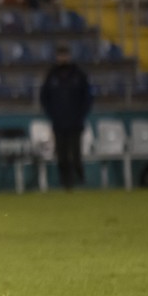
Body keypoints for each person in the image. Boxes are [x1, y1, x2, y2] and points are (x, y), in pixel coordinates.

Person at [40, 43, 92, 191]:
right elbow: (44, 97)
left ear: (68, 56)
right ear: (57, 57)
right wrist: (52, 115)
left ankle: (80, 180)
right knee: (61, 155)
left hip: (76, 122)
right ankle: (66, 184)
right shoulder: (52, 75)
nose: (62, 58)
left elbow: (87, 97)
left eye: (65, 55)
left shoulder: (78, 74)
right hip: (59, 122)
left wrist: (81, 114)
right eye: (60, 55)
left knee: (75, 154)